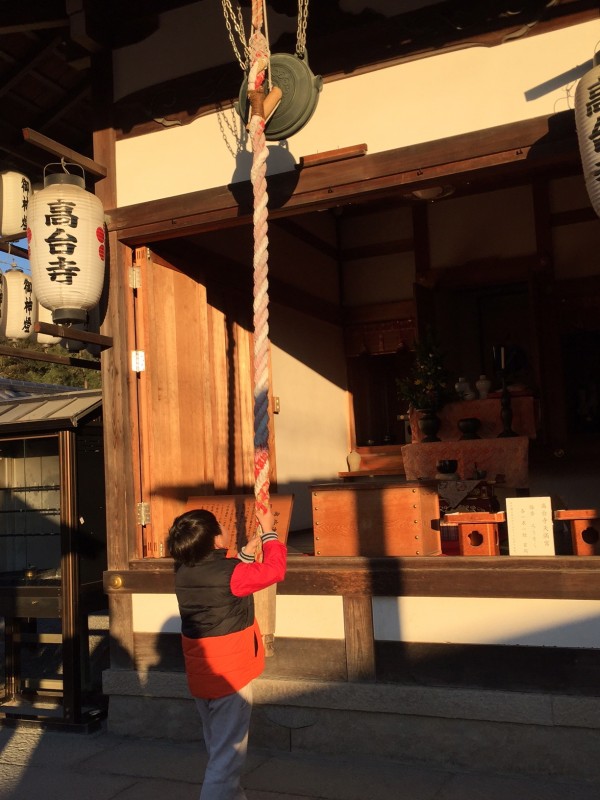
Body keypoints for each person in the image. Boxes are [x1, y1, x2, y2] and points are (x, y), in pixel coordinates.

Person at [167, 505, 287, 800]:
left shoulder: (182, 570)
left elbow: (224, 586)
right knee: (226, 759)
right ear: (216, 540)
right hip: (230, 675)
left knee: (219, 749)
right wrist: (269, 532)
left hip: (202, 675)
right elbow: (274, 570)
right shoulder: (229, 573)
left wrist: (244, 555)